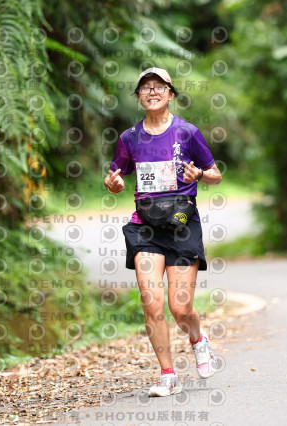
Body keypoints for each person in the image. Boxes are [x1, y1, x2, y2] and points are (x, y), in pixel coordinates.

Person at [104, 67, 222, 397]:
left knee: (180, 309)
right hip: (145, 227)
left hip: (182, 224)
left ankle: (198, 339)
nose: (152, 91)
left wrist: (200, 174)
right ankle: (168, 375)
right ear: (138, 96)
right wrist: (113, 184)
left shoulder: (187, 132)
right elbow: (115, 176)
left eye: (159, 86)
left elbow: (215, 174)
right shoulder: (129, 138)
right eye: (145, 87)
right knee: (151, 303)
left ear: (170, 93)